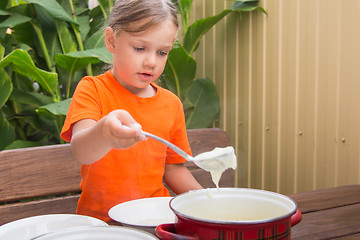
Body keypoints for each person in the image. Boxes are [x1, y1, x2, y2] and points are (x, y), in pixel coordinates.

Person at [60, 0, 203, 222]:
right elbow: (82, 151)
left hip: (154, 221)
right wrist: (105, 133)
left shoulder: (171, 104)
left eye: (162, 52)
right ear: (111, 40)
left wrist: (207, 201)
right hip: (101, 225)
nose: (151, 62)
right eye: (139, 48)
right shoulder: (93, 90)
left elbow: (173, 169)